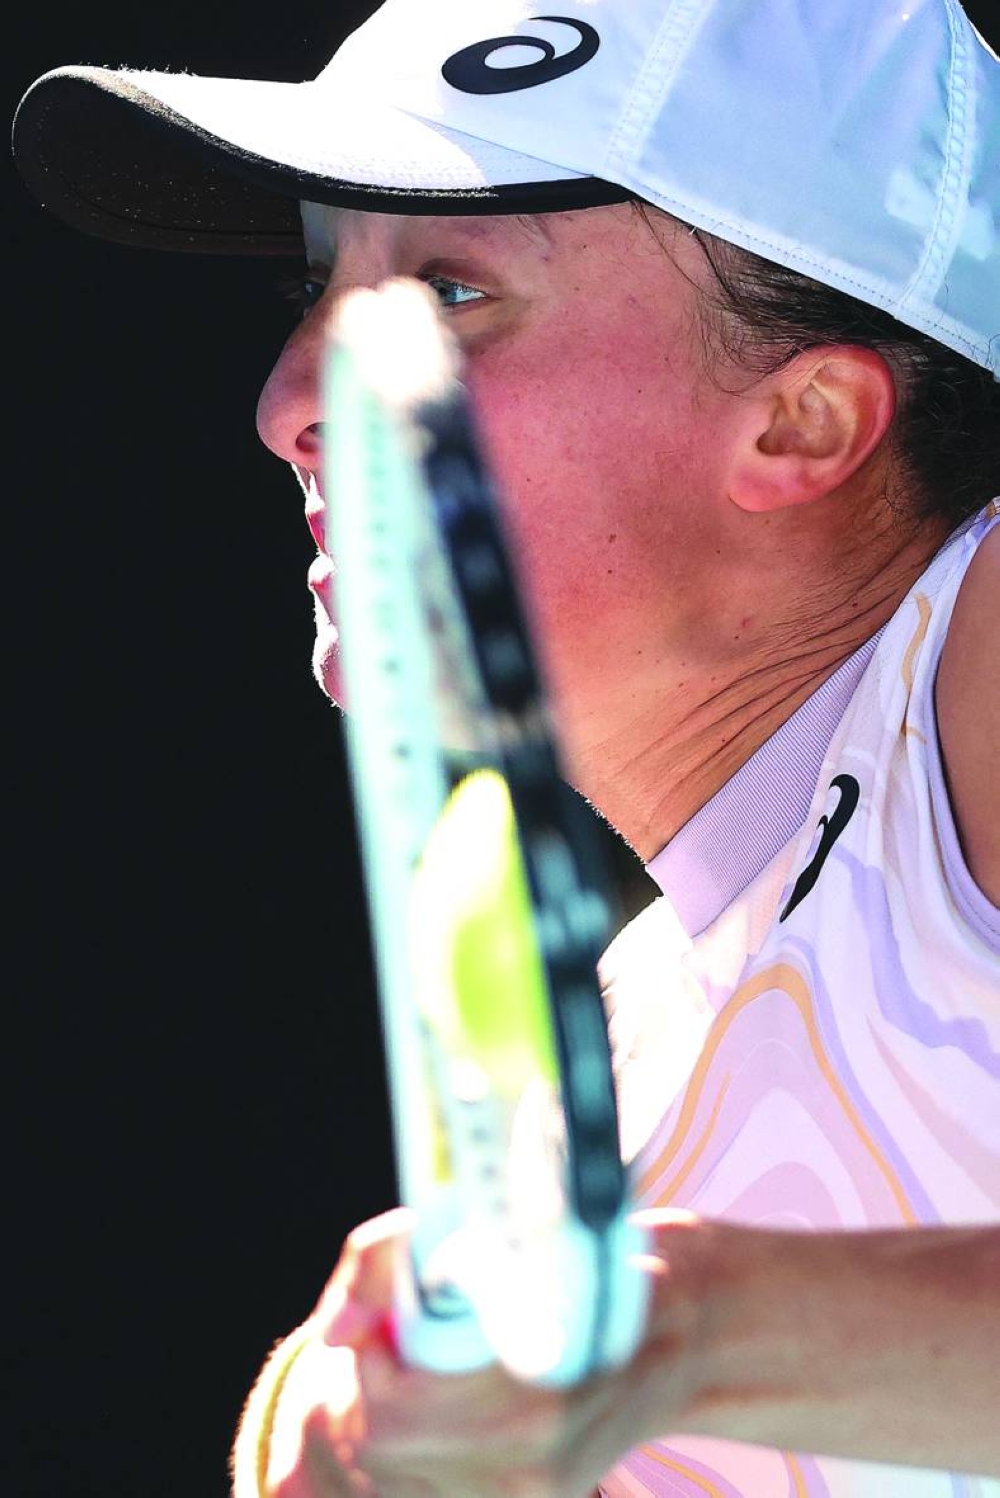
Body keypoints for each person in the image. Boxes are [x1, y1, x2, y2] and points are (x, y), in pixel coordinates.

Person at [13, 1, 1000, 1494]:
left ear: (802, 419)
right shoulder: (616, 1052)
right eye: (314, 281)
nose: (295, 400)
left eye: (453, 291)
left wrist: (681, 1335)